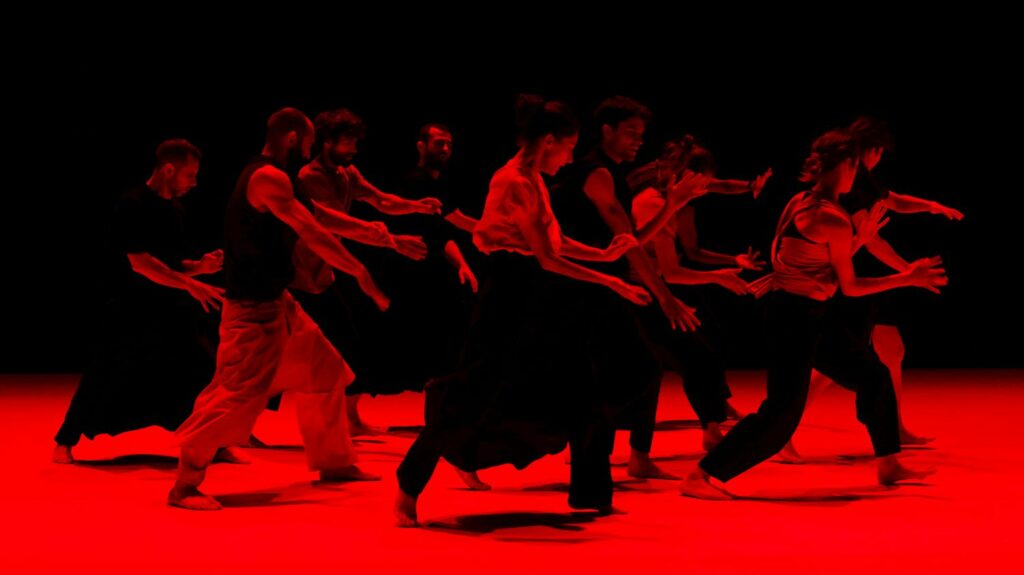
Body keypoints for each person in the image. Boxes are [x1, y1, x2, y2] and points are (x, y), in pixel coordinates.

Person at [679, 129, 945, 499]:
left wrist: (856, 243)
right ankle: (702, 476)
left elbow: (789, 256)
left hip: (803, 311)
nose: (857, 174)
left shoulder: (800, 201)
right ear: (843, 167)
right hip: (794, 317)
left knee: (873, 375)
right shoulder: (831, 219)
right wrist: (907, 277)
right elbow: (848, 286)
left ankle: (889, 465)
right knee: (781, 414)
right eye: (854, 166)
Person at [168, 108, 389, 511]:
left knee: (326, 371)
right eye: (305, 143)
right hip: (251, 309)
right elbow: (310, 230)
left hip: (278, 301)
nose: (307, 151)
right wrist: (359, 272)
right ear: (291, 137)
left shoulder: (281, 179)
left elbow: (321, 217)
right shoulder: (267, 177)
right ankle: (184, 485)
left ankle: (335, 463)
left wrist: (385, 241)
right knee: (234, 394)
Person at [53, 140, 232, 464]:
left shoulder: (175, 210)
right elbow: (142, 263)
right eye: (189, 175)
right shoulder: (131, 205)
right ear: (168, 170)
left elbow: (172, 262)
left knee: (202, 368)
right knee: (106, 369)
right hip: (130, 306)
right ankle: (64, 441)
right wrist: (190, 283)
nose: (194, 183)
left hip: (168, 307)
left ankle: (212, 442)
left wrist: (199, 267)